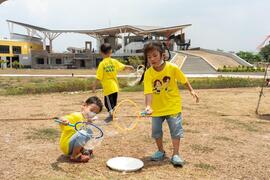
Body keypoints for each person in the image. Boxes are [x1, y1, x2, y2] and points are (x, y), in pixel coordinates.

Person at [140, 41, 199, 166]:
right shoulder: (148, 74)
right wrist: (148, 106)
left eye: (155, 55)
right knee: (156, 131)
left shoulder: (173, 68)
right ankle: (161, 151)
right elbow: (148, 92)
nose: (152, 59)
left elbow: (184, 80)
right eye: (149, 57)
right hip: (157, 109)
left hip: (173, 106)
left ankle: (176, 154)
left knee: (175, 130)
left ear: (163, 55)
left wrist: (192, 91)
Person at [92, 43, 134, 122]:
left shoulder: (102, 64)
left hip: (108, 88)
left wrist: (94, 86)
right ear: (111, 52)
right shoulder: (114, 61)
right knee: (113, 102)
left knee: (108, 103)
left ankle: (112, 114)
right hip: (115, 87)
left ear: (101, 52)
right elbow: (123, 67)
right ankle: (112, 113)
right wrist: (129, 66)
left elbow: (99, 77)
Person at [57, 96, 103, 163]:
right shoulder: (76, 115)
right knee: (83, 133)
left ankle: (81, 149)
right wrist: (64, 120)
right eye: (91, 110)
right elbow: (62, 118)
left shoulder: (86, 119)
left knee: (89, 131)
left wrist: (88, 122)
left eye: (95, 113)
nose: (92, 114)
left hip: (72, 145)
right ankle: (75, 155)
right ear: (84, 105)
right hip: (66, 146)